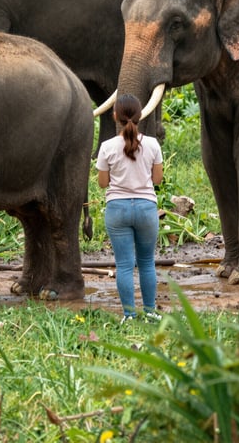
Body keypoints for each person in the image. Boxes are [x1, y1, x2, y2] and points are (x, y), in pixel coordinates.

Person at [96, 93, 163, 323]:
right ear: (140, 115)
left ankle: (129, 315)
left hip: (117, 209)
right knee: (146, 262)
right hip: (146, 208)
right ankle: (150, 311)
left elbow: (103, 183)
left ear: (115, 116)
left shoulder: (106, 147)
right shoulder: (152, 144)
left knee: (124, 265)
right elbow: (157, 180)